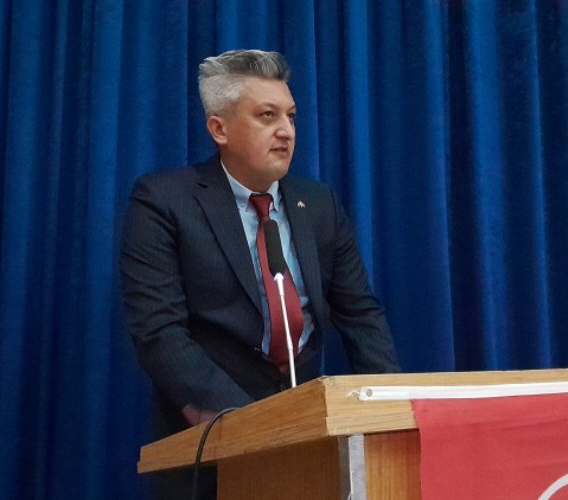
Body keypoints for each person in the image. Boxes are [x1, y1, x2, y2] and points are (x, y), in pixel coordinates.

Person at [119, 49, 400, 499]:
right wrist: (258, 426)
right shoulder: (165, 200)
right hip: (212, 440)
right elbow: (158, 331)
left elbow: (360, 314)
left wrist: (388, 410)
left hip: (311, 440)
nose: (286, 131)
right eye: (267, 116)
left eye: (290, 116)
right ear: (220, 129)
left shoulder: (319, 203)